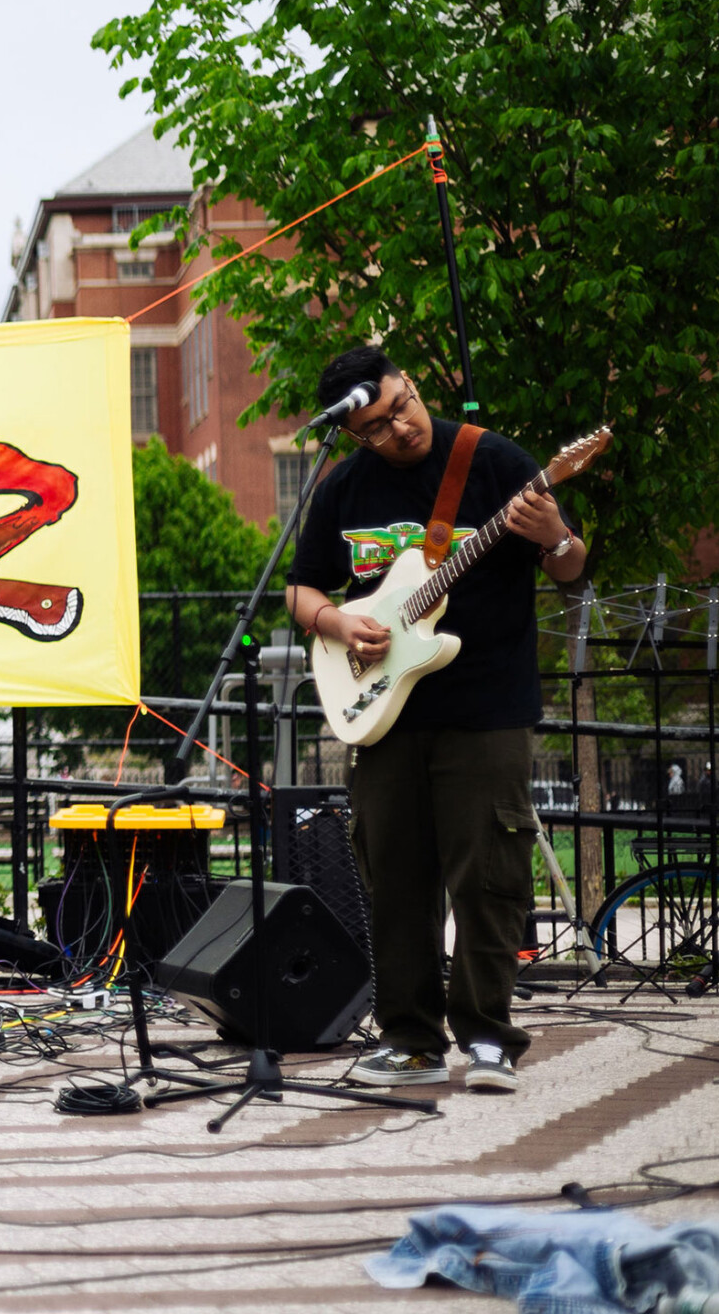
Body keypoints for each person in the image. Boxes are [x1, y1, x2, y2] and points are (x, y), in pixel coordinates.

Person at [288, 347, 584, 1096]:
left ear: (411, 385)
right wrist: (336, 622)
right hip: (385, 715)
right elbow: (300, 590)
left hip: (485, 706)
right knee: (394, 878)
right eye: (378, 427)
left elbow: (572, 566)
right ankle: (409, 1037)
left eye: (402, 406)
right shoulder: (342, 489)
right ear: (352, 435)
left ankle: (487, 1036)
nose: (400, 427)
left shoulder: (491, 462)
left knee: (488, 877)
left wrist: (552, 533)